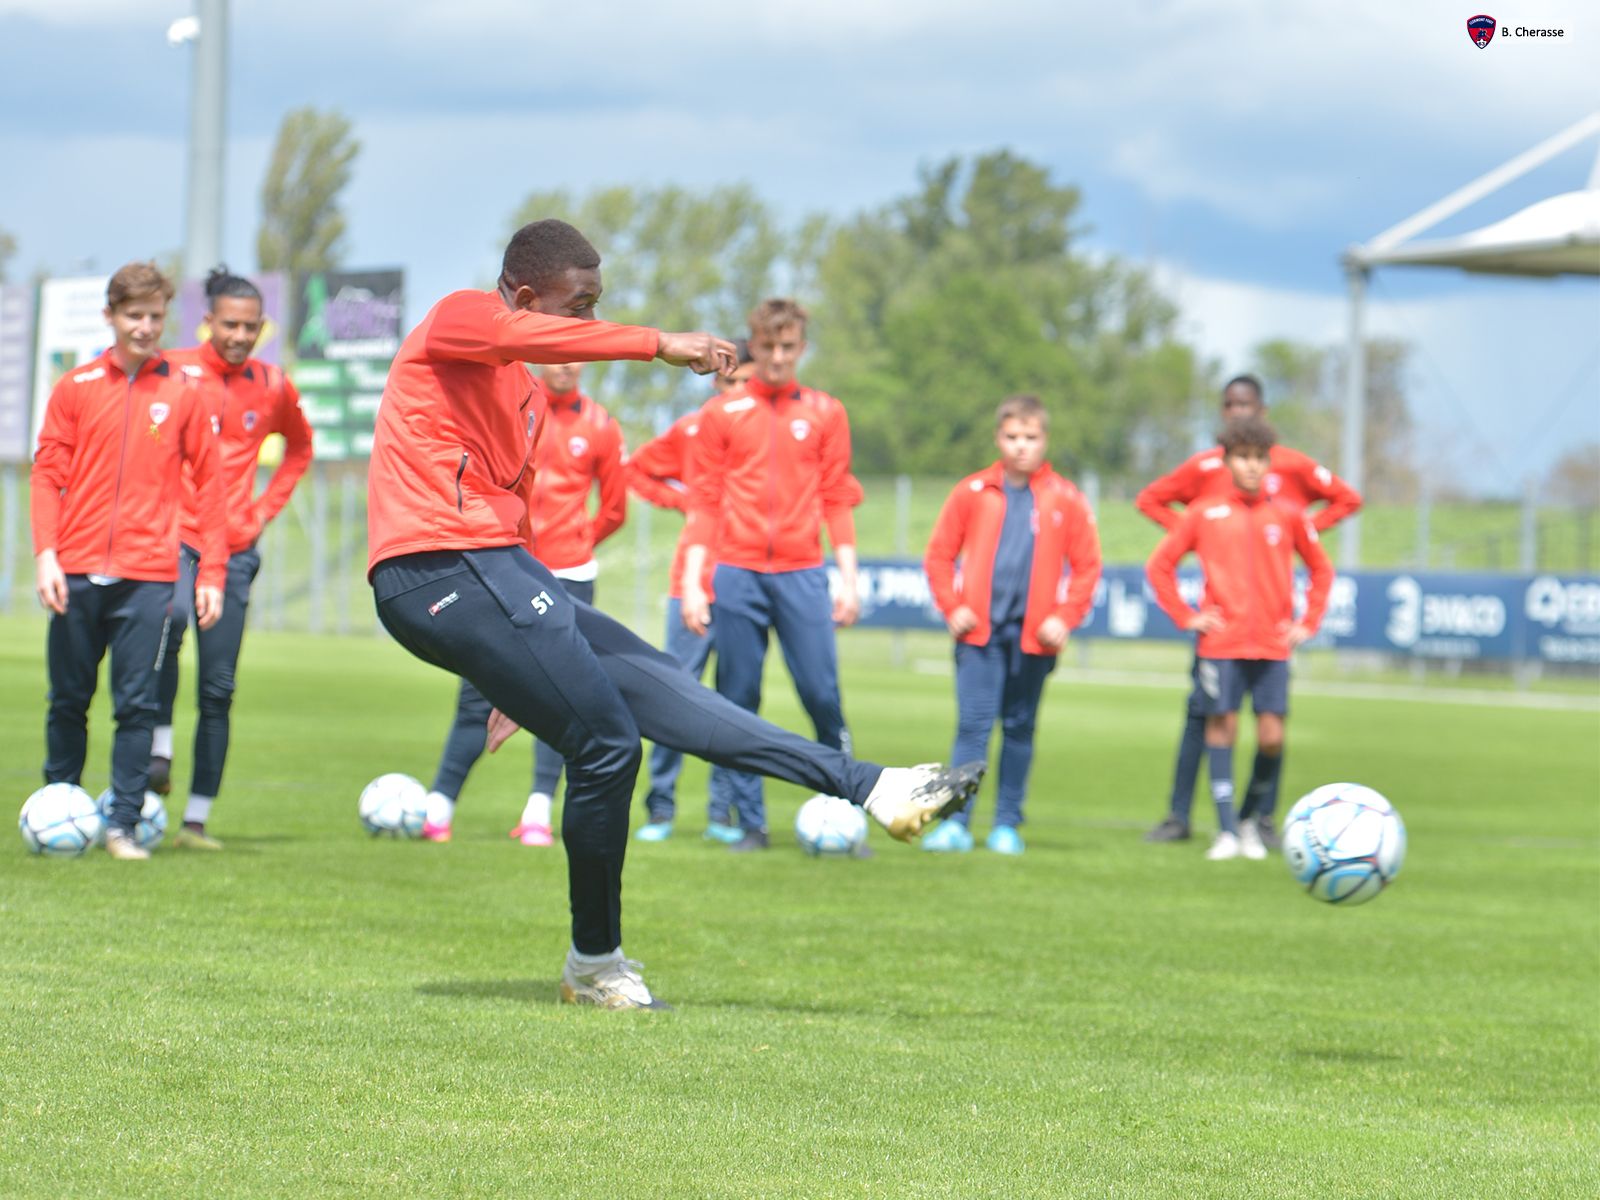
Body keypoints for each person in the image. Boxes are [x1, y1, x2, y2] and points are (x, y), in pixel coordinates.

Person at [366, 219, 983, 1010]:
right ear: (523, 297)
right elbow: (527, 341)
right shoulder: (457, 318)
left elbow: (513, 523)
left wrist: (512, 663)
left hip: (499, 577)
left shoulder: (523, 396)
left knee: (663, 689)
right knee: (607, 745)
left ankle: (876, 789)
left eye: (598, 308)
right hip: (433, 572)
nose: (587, 323)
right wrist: (661, 343)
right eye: (578, 306)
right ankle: (594, 964)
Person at [31, 261, 228, 861]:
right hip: (76, 569)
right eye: (133, 315)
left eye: (154, 316)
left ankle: (121, 825)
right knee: (68, 700)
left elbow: (212, 488)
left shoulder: (182, 395)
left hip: (149, 575)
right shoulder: (76, 387)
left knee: (138, 705)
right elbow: (46, 476)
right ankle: (58, 804)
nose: (145, 327)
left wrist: (212, 572)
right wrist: (46, 555)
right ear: (110, 318)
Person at [1136, 375, 1361, 848]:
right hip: (1222, 631)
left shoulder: (1289, 474)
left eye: (1247, 405)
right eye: (1229, 405)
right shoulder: (1205, 475)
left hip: (1270, 635)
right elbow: (1151, 504)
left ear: (1262, 411)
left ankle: (1257, 821)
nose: (1238, 413)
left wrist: (1301, 533)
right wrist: (1202, 537)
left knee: (1270, 728)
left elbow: (1346, 500)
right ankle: (1187, 817)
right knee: (1206, 718)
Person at [419, 362, 629, 846]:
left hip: (569, 577)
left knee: (561, 695)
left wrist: (579, 541)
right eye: (554, 355)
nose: (564, 365)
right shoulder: (509, 410)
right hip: (504, 568)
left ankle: (537, 812)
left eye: (572, 356)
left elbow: (615, 507)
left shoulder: (600, 425)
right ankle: (438, 808)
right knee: (477, 692)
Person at [679, 299, 863, 852]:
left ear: (802, 348)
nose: (779, 358)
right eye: (768, 347)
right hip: (736, 573)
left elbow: (837, 500)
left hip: (803, 574)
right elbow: (705, 504)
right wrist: (693, 580)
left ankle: (848, 809)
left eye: (789, 347)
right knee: (737, 701)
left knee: (821, 696)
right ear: (752, 348)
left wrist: (848, 578)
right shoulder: (721, 416)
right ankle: (750, 823)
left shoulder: (827, 413)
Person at [148, 266, 314, 850]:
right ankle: (158, 752)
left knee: (218, 688)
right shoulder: (171, 369)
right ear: (207, 322)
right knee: (166, 622)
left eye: (250, 326)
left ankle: (195, 820)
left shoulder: (272, 385)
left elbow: (301, 447)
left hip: (236, 549)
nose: (240, 336)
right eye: (229, 325)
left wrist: (263, 511)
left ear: (261, 327)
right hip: (176, 537)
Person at [921, 395, 1102, 855]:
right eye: (1012, 437)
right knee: (973, 727)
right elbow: (939, 554)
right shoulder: (973, 491)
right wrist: (952, 605)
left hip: (1033, 639)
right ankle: (955, 823)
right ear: (999, 438)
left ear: (1045, 440)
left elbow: (1087, 566)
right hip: (979, 634)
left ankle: (1007, 825)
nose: (1021, 446)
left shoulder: (1065, 498)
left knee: (1019, 729)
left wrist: (1064, 618)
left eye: (1031, 437)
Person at [625, 342, 754, 844]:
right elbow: (636, 469)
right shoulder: (694, 429)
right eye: (729, 382)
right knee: (673, 694)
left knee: (736, 700)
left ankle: (724, 811)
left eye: (746, 382)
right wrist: (683, 502)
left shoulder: (768, 432)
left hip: (747, 581)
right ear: (715, 383)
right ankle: (661, 806)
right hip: (693, 581)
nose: (737, 392)